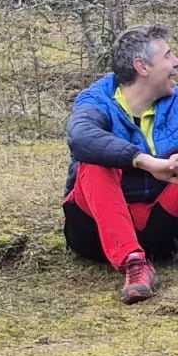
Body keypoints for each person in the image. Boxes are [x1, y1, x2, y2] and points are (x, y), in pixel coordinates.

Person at [63, 23, 178, 302]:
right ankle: (133, 264)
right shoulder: (97, 99)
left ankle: (146, 256)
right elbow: (81, 137)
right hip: (96, 231)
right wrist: (144, 161)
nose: (175, 63)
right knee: (93, 162)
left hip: (160, 224)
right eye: (168, 55)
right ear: (142, 66)